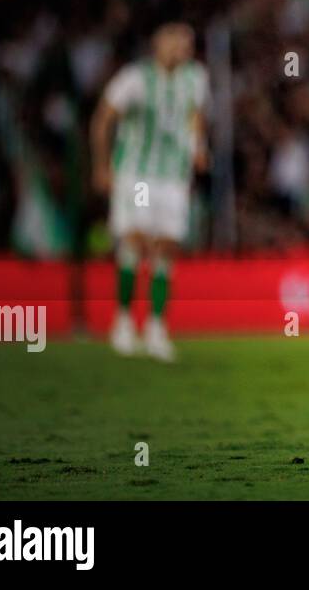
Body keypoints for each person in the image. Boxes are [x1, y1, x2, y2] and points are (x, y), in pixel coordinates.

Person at [91, 23, 208, 362]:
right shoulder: (136, 78)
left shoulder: (195, 78)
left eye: (187, 44)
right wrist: (102, 165)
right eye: (176, 43)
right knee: (137, 239)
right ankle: (124, 322)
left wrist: (199, 146)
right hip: (139, 176)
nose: (183, 50)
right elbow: (103, 119)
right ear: (159, 45)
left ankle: (157, 328)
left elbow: (195, 116)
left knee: (167, 246)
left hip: (174, 177)